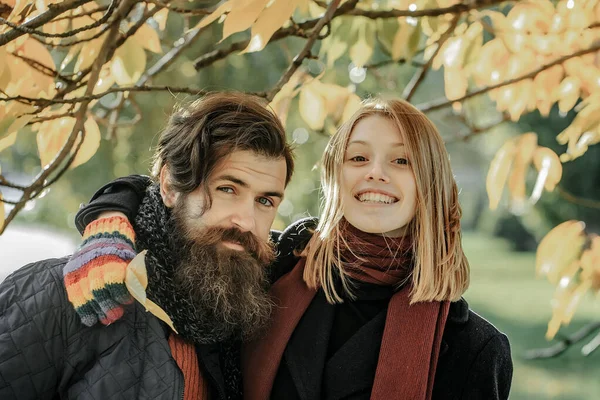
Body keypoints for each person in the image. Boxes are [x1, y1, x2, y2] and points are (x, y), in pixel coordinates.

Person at [60, 98, 513, 399]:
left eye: (401, 160)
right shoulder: (273, 272)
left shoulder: (473, 348)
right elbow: (176, 194)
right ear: (336, 176)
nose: (376, 173)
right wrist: (109, 221)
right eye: (358, 157)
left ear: (429, 184)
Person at [0, 92, 295, 400]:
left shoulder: (238, 311)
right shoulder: (61, 294)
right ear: (169, 186)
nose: (246, 221)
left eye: (264, 200)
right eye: (227, 189)